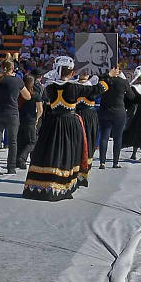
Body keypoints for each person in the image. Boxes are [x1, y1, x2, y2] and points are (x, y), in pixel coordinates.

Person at [22, 57, 86, 201]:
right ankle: (61, 188)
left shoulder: (50, 86)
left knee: (49, 152)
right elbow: (96, 89)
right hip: (68, 123)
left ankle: (41, 187)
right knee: (66, 153)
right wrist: (108, 77)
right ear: (71, 72)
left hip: (52, 123)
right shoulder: (73, 87)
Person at [0, 57, 22, 176]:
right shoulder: (17, 81)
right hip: (12, 112)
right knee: (13, 142)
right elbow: (27, 96)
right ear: (13, 68)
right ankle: (11, 167)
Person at [96, 63, 133, 168]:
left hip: (104, 111)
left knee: (104, 137)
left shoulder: (104, 81)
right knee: (118, 137)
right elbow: (131, 96)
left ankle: (102, 162)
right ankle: (115, 162)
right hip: (119, 112)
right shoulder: (123, 82)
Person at [15, 70, 41, 172]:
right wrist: (37, 119)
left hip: (20, 118)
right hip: (30, 119)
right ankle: (22, 158)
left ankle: (18, 160)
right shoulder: (35, 94)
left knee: (20, 140)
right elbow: (40, 109)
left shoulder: (19, 93)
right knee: (32, 141)